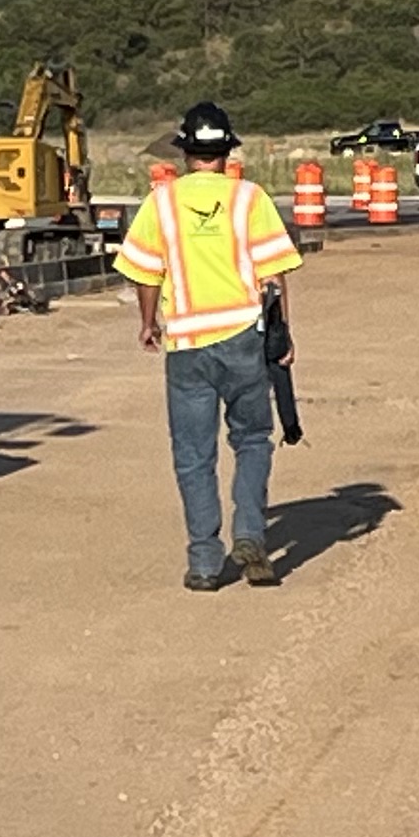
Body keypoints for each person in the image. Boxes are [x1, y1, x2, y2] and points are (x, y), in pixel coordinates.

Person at [111, 100, 306, 591]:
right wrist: (283, 333)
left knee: (194, 455)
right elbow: (274, 274)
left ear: (186, 151)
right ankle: (249, 532)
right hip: (244, 337)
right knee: (253, 440)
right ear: (225, 152)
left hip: (187, 346)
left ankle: (203, 562)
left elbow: (145, 272)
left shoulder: (161, 202)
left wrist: (148, 323)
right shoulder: (249, 199)